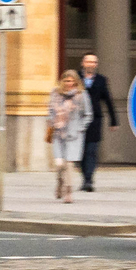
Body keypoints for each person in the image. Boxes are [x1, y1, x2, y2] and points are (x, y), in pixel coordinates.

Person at [47, 68, 92, 201]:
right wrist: (51, 122)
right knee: (59, 164)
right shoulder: (55, 94)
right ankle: (60, 181)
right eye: (66, 81)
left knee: (69, 164)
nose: (69, 83)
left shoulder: (81, 95)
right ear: (62, 81)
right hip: (58, 133)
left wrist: (80, 128)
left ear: (76, 82)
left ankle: (68, 191)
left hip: (74, 135)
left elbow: (88, 114)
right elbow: (50, 110)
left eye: (72, 81)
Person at [78, 51, 114, 191]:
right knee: (80, 152)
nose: (91, 64)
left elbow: (108, 100)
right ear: (83, 63)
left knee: (92, 151)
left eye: (93, 62)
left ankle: (89, 179)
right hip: (79, 120)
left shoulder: (101, 80)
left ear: (96, 65)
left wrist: (113, 120)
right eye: (88, 61)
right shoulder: (76, 78)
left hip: (95, 120)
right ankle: (85, 177)